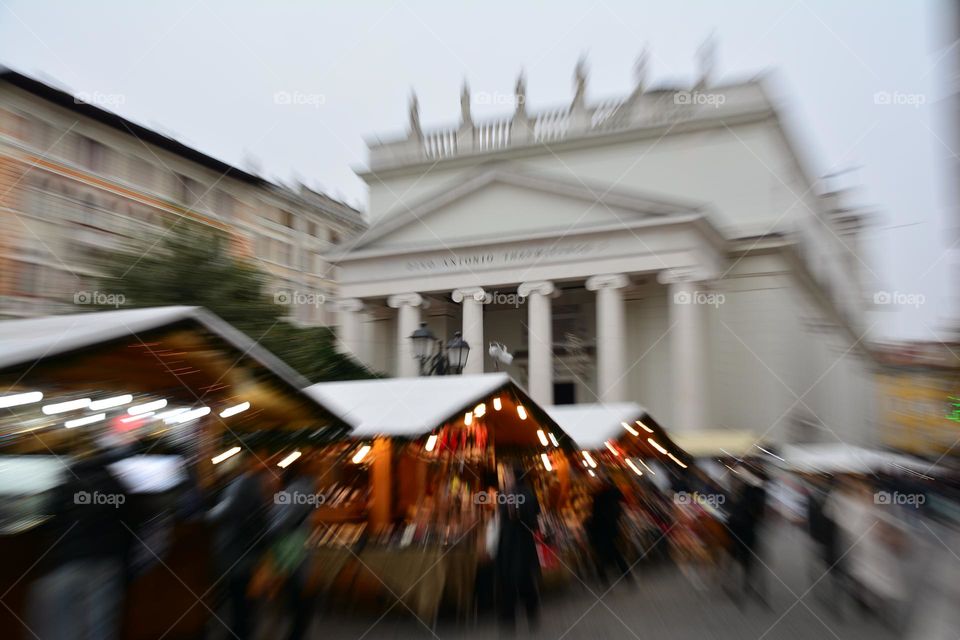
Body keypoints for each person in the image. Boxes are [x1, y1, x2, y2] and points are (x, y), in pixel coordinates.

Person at [28, 439, 133, 640]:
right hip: (107, 564)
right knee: (99, 628)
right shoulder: (116, 485)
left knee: (60, 627)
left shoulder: (66, 483)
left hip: (67, 563)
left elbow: (47, 517)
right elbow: (131, 525)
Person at [208, 452, 270, 640]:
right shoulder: (251, 483)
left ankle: (239, 632)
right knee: (241, 594)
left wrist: (207, 516)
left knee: (238, 594)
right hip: (246, 547)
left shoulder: (240, 483)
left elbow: (226, 510)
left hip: (237, 548)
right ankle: (242, 630)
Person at [268, 464, 315, 640]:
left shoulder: (294, 492)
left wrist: (267, 532)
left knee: (295, 592)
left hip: (290, 548)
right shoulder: (301, 490)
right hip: (296, 546)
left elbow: (283, 520)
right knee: (296, 591)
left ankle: (295, 632)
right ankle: (296, 630)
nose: (274, 479)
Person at [495, 465, 541, 632]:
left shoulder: (511, 493)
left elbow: (511, 514)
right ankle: (529, 611)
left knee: (511, 578)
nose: (505, 477)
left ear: (514, 476)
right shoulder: (527, 492)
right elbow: (536, 514)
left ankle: (510, 616)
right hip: (522, 540)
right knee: (523, 577)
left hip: (513, 540)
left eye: (507, 474)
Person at [725, 467, 768, 608]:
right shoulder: (758, 492)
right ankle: (743, 585)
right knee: (744, 559)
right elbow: (759, 512)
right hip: (742, 528)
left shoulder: (747, 490)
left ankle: (739, 584)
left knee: (739, 556)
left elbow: (755, 511)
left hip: (739, 527)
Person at [586, 476, 632, 586]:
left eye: (601, 483)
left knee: (601, 556)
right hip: (612, 530)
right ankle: (628, 577)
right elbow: (618, 512)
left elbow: (596, 516)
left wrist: (589, 526)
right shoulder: (614, 497)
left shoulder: (600, 498)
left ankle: (605, 582)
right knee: (616, 554)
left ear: (605, 485)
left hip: (601, 531)